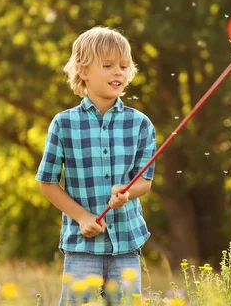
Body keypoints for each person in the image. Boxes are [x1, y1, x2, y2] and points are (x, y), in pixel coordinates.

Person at [36, 26, 156, 305]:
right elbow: (47, 183)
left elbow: (145, 182)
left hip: (127, 244)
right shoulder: (63, 124)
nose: (118, 72)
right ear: (83, 70)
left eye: (124, 66)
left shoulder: (140, 124)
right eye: (108, 65)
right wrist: (82, 217)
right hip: (82, 248)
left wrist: (128, 192)